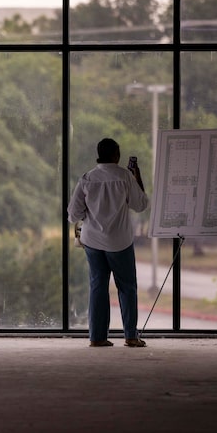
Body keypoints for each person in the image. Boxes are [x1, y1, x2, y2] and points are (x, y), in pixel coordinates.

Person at [67, 138, 150, 348]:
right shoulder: (125, 177)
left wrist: (90, 215)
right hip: (119, 242)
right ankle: (131, 336)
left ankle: (97, 337)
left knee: (97, 286)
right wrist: (137, 177)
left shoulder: (86, 178)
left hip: (92, 242)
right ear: (116, 155)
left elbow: (72, 214)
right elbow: (140, 205)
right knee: (127, 288)